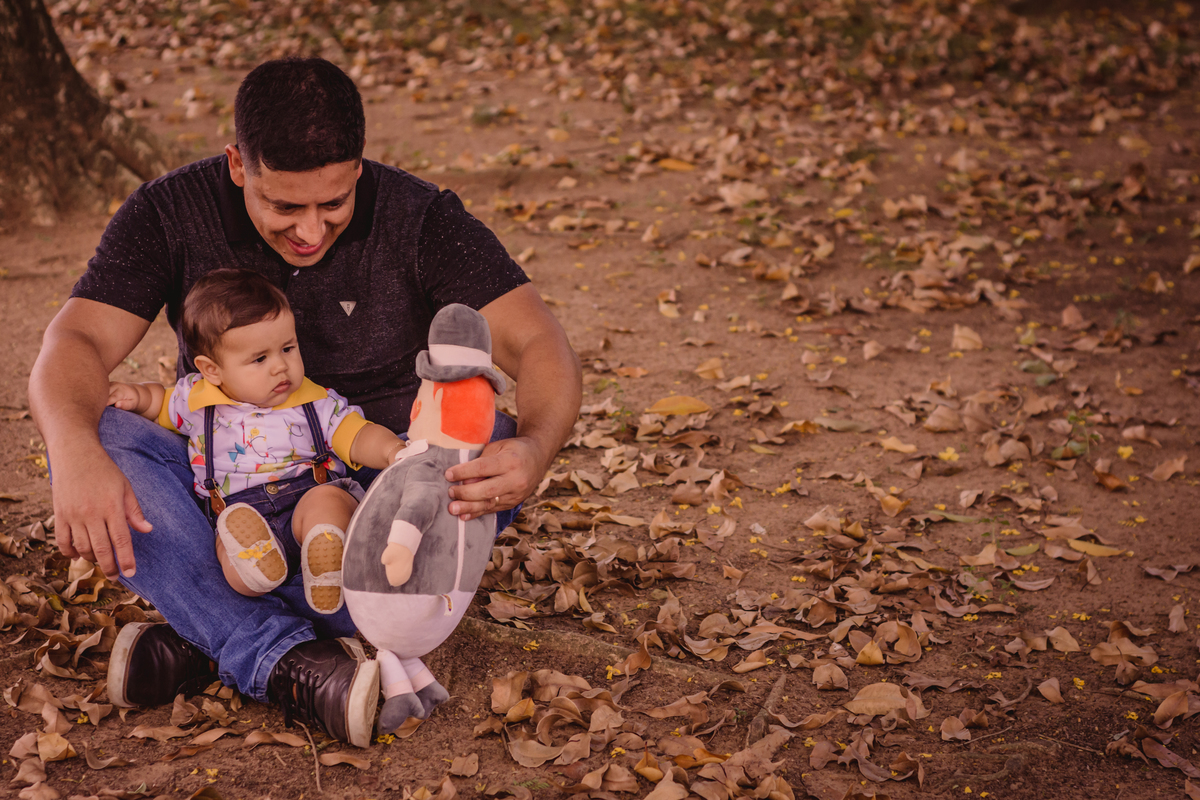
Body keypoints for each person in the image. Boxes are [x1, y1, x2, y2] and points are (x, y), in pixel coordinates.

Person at [27, 57, 581, 748]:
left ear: (359, 167)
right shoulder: (170, 211)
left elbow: (539, 342)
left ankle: (211, 634)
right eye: (285, 207)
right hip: (229, 499)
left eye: (333, 204)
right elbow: (75, 339)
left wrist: (533, 448)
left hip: (382, 504)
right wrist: (73, 452)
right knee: (103, 431)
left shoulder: (421, 218)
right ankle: (283, 655)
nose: (311, 231)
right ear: (237, 164)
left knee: (485, 430)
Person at [107, 268, 406, 615]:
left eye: (288, 348)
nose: (281, 366)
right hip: (243, 511)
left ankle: (328, 559)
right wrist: (136, 396)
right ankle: (256, 571)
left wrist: (391, 450)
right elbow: (158, 401)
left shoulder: (314, 401)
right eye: (260, 359)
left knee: (329, 502)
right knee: (230, 551)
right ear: (212, 370)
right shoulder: (198, 401)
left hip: (308, 493)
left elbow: (357, 434)